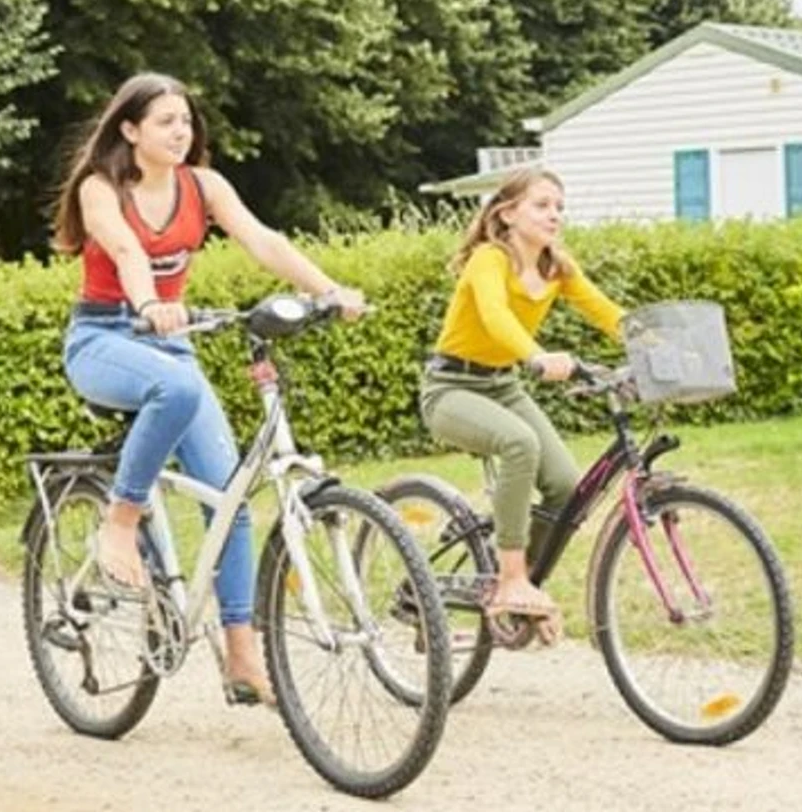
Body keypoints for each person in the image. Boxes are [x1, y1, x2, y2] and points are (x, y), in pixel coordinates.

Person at [51, 72, 365, 705]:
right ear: (130, 130)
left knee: (231, 499)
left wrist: (328, 291)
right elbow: (126, 250)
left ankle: (242, 656)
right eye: (165, 121)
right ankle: (121, 519)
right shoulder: (100, 189)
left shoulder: (204, 186)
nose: (180, 131)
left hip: (169, 343)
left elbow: (263, 240)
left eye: (186, 121)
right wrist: (149, 304)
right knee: (178, 389)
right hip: (104, 338)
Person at [418, 167, 622, 643]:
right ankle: (510, 579)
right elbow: (495, 316)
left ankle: (520, 585)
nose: (554, 215)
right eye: (542, 205)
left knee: (568, 487)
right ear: (507, 214)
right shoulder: (489, 259)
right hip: (450, 387)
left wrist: (658, 344)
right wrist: (535, 355)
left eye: (559, 207)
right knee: (518, 443)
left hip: (504, 385)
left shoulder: (556, 268)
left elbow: (606, 311)